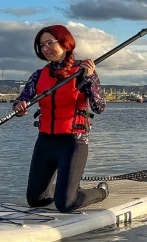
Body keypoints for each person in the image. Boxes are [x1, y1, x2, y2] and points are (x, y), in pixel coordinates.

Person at [12, 24, 109, 212]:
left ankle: (101, 192)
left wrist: (89, 79)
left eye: (50, 43)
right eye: (41, 45)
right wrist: (19, 107)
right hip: (45, 140)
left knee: (66, 204)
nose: (45, 48)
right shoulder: (39, 75)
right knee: (36, 200)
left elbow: (100, 107)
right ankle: (67, 187)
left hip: (74, 141)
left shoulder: (83, 71)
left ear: (65, 43)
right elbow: (22, 99)